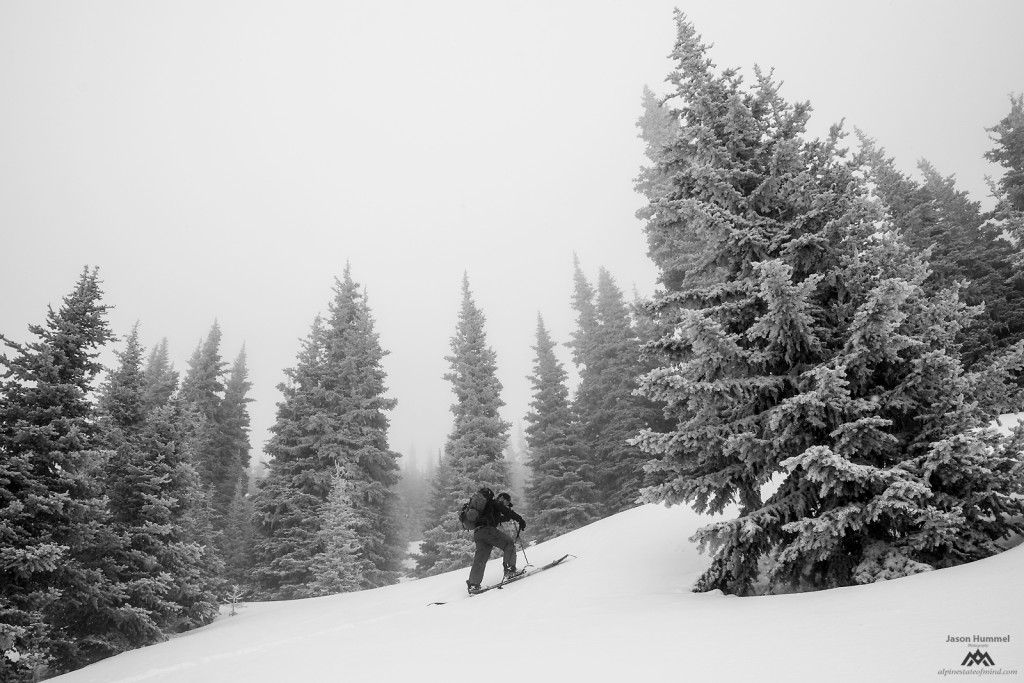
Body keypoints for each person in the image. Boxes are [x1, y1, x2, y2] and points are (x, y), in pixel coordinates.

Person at [466, 490, 527, 594]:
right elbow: (506, 512)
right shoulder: (494, 502)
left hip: (478, 533)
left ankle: (473, 584)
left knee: (480, 558)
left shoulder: (486, 507)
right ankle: (510, 570)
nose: (507, 505)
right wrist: (520, 519)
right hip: (487, 530)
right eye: (507, 502)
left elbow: (494, 518)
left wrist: (507, 518)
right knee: (508, 543)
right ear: (502, 498)